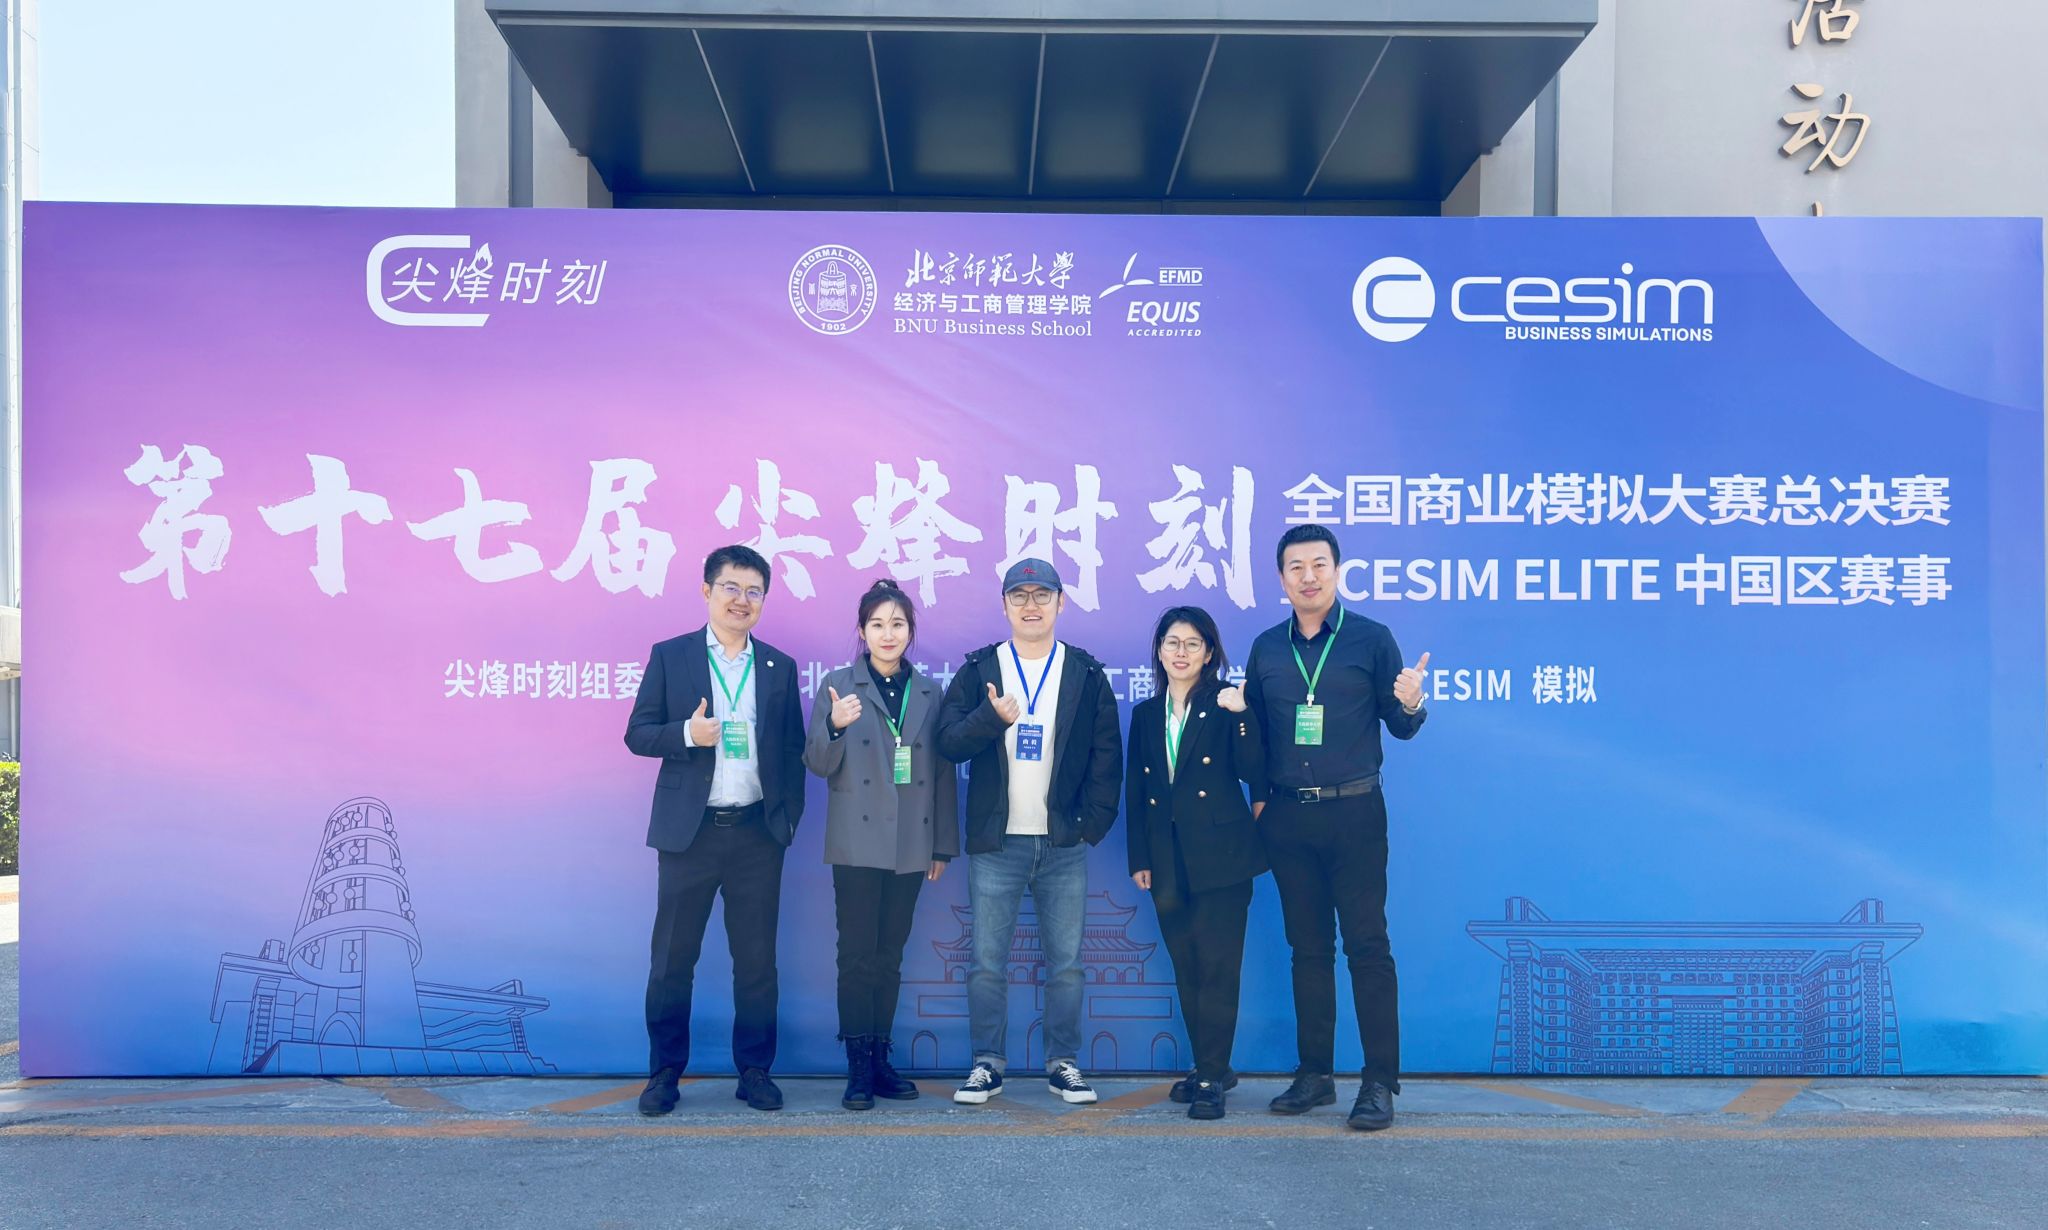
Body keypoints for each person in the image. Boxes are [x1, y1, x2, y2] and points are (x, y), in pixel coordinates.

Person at [1243, 524, 1429, 1131]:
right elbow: (1258, 736)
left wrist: (1411, 702)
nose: (1308, 577)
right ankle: (1315, 1074)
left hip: (1355, 814)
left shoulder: (1372, 639)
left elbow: (1399, 726)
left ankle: (1378, 1082)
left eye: (1318, 564)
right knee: (1307, 949)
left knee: (1367, 946)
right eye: (1295, 567)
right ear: (1281, 579)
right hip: (1289, 817)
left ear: (1337, 570)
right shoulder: (1267, 648)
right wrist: (1261, 801)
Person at [625, 545, 806, 1116]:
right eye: (731, 587)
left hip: (756, 833)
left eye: (754, 591)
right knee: (672, 960)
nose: (741, 600)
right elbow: (638, 733)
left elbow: (793, 749)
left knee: (756, 964)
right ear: (707, 591)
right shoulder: (671, 656)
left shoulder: (778, 666)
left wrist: (785, 822)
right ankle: (663, 1073)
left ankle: (754, 1071)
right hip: (691, 834)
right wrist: (687, 734)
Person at [935, 558, 1124, 1105]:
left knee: (1066, 966)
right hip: (998, 843)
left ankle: (1063, 1063)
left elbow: (1106, 757)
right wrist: (990, 718)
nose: (1031, 605)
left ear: (1061, 603)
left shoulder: (1085, 673)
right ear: (1005, 606)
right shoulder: (980, 670)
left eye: (1043, 595)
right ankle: (986, 1064)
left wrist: (1087, 826)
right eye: (1020, 596)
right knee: (986, 964)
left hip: (1062, 843)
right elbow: (948, 742)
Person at [804, 578, 960, 1111]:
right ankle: (856, 1066)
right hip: (855, 841)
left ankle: (880, 1059)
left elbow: (942, 773)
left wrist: (941, 845)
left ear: (910, 631)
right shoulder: (838, 685)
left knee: (890, 956)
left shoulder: (930, 693)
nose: (887, 634)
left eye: (897, 624)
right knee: (856, 957)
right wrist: (834, 726)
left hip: (911, 842)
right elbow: (817, 763)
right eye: (877, 624)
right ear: (862, 631)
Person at [1124, 605, 1268, 1120]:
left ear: (1209, 653)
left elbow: (1255, 771)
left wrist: (1243, 716)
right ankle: (1212, 1064)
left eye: (1192, 644)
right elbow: (1136, 791)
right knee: (1187, 968)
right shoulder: (1146, 714)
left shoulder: (1225, 702)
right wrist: (1139, 857)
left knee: (1218, 969)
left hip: (1222, 860)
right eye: (1172, 642)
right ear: (1159, 651)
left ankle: (1210, 1076)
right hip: (1166, 861)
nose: (1180, 652)